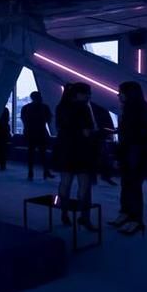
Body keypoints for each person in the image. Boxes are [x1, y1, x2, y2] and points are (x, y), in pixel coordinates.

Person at [110, 81, 147, 235]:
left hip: (136, 153)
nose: (118, 95)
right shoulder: (132, 109)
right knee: (127, 185)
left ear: (129, 94)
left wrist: (136, 139)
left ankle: (135, 220)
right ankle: (127, 215)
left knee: (133, 186)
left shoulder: (138, 110)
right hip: (131, 151)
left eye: (121, 92)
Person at [53, 83, 99, 231]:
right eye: (86, 93)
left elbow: (59, 127)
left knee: (65, 182)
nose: (89, 96)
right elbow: (87, 132)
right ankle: (84, 217)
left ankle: (64, 213)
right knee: (84, 185)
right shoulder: (83, 108)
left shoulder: (61, 107)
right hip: (81, 150)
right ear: (77, 94)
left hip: (65, 149)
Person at [20, 91, 55, 181]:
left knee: (31, 153)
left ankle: (30, 172)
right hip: (41, 132)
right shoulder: (44, 107)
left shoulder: (26, 108)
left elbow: (24, 120)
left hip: (30, 133)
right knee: (43, 153)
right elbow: (48, 119)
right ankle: (46, 171)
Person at [91, 102, 117, 185]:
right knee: (100, 155)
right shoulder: (100, 105)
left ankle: (97, 176)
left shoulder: (94, 106)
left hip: (97, 133)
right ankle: (102, 176)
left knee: (99, 156)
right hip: (98, 133)